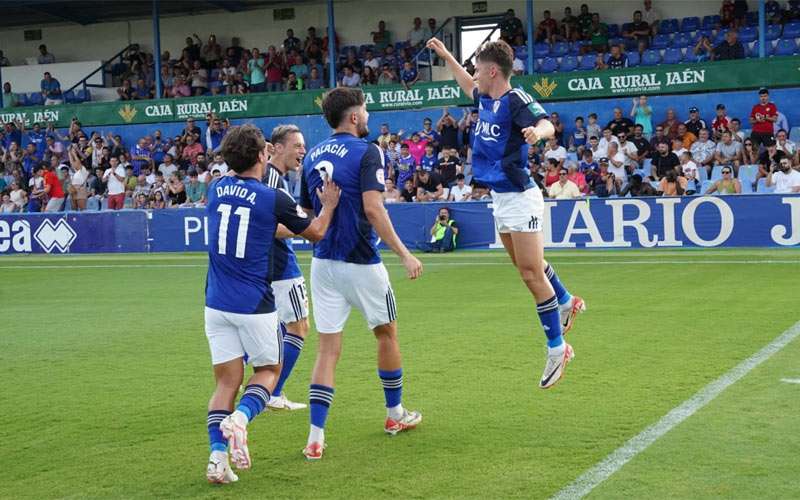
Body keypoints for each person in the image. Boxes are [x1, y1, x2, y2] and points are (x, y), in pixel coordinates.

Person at [427, 37, 585, 390]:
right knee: (524, 267)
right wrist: (446, 55)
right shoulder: (484, 97)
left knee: (531, 274)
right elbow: (465, 82)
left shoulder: (515, 100)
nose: (475, 76)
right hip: (500, 197)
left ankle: (558, 348)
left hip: (520, 195)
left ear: (493, 71)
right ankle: (565, 300)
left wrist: (536, 134)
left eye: (479, 70)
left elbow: (546, 123)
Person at [203, 125, 339, 484]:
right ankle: (242, 419)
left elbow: (235, 170)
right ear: (263, 155)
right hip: (254, 304)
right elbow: (317, 232)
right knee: (267, 373)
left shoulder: (215, 189)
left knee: (226, 383)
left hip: (215, 304)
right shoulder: (271, 197)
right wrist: (327, 206)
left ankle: (217, 459)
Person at [299, 88, 423, 460]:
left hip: (323, 263)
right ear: (353, 117)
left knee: (327, 348)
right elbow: (374, 208)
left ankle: (315, 437)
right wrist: (404, 254)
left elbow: (308, 215)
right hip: (361, 262)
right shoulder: (369, 151)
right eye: (365, 110)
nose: (368, 115)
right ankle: (394, 414)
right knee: (386, 333)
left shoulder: (312, 155)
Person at [258, 124, 312, 411]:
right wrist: (301, 224)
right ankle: (273, 392)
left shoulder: (272, 177)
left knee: (273, 327)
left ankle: (258, 385)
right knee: (299, 326)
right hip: (280, 266)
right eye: (297, 145)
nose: (302, 150)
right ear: (277, 148)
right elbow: (267, 224)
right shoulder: (271, 180)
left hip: (269, 265)